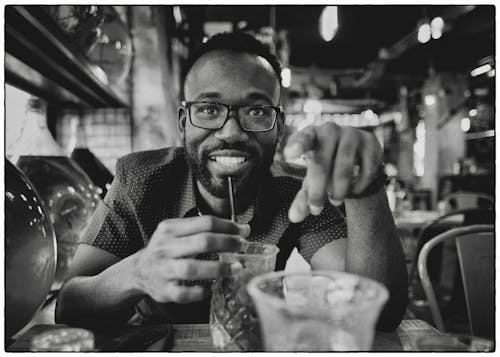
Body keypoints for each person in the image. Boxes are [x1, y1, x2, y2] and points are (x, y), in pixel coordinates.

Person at [56, 32, 407, 331]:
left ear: (279, 128)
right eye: (209, 109)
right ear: (183, 122)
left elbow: (377, 313)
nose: (232, 132)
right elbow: (69, 307)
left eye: (257, 111)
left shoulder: (296, 192)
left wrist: (367, 188)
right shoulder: (140, 180)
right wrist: (136, 272)